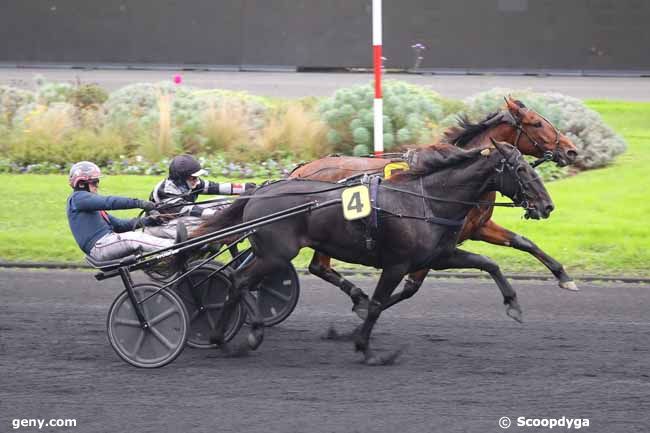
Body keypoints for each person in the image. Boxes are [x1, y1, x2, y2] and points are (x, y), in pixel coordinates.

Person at [66, 161, 183, 261]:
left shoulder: (90, 207)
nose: (97, 185)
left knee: (147, 232)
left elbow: (120, 225)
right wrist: (140, 203)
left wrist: (148, 221)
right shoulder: (77, 198)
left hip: (106, 244)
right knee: (132, 238)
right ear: (81, 184)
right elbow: (109, 202)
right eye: (94, 182)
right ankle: (176, 247)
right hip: (99, 247)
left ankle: (179, 241)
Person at [146, 154, 256, 238]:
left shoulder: (190, 183)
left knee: (221, 201)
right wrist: (221, 215)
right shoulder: (165, 191)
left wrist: (247, 188)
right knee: (201, 223)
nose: (197, 181)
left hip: (180, 219)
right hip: (160, 226)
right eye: (193, 178)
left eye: (197, 177)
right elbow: (191, 210)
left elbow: (217, 187)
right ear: (180, 179)